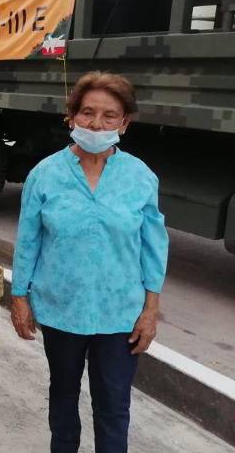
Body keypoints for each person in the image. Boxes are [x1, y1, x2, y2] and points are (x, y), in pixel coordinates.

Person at [10, 72, 169, 453]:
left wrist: (150, 311)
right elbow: (29, 240)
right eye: (87, 113)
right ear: (72, 118)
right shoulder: (45, 175)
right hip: (61, 309)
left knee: (114, 406)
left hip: (120, 315)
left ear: (125, 123)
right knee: (62, 396)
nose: (96, 124)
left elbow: (153, 247)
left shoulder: (140, 177)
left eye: (109, 116)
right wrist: (19, 297)